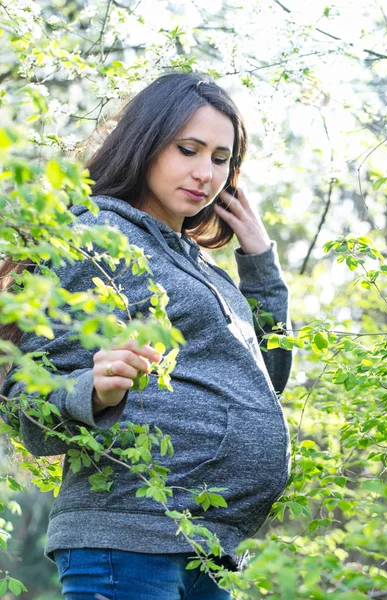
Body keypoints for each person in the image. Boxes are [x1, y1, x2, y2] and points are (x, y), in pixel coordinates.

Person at [1, 72, 292, 600]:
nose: (205, 173)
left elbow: (264, 382)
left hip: (204, 544)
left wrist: (260, 265)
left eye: (221, 159)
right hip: (128, 543)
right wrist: (92, 389)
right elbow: (20, 393)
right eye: (188, 149)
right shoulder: (93, 238)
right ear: (146, 142)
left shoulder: (198, 266)